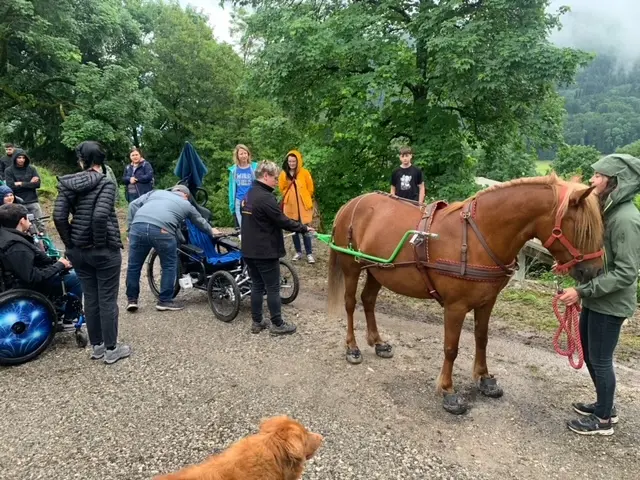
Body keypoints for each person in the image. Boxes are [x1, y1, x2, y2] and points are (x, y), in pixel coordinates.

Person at [558, 153, 640, 436]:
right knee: (592, 356)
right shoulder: (608, 211)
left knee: (601, 359)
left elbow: (627, 273)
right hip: (596, 298)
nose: (592, 180)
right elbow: (598, 259)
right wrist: (575, 273)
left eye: (598, 176)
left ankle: (604, 419)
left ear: (614, 181)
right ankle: (604, 405)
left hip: (611, 303)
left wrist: (581, 290)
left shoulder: (626, 220)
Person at [53, 140, 128, 365]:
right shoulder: (106, 184)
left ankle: (97, 347)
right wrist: (97, 242)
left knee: (91, 297)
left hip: (78, 251)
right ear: (100, 161)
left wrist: (72, 244)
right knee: (107, 299)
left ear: (81, 161)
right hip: (103, 250)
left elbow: (58, 217)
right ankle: (112, 349)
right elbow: (99, 217)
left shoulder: (68, 183)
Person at [241, 160, 315, 335]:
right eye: (274, 178)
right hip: (264, 251)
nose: (277, 181)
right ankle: (277, 324)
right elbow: (282, 220)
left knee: (257, 285)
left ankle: (257, 321)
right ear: (265, 176)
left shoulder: (248, 195)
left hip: (249, 250)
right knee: (273, 287)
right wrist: (304, 228)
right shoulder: (266, 198)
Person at [125, 185, 221, 312]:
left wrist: (130, 228)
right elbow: (200, 221)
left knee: (134, 266)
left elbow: (132, 205)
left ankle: (132, 300)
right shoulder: (186, 204)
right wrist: (211, 231)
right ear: (186, 196)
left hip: (138, 228)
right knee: (169, 265)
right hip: (162, 231)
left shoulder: (156, 192)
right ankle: (164, 300)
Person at [0, 203, 81, 328]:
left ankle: (60, 307)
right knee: (76, 278)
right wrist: (59, 265)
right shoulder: (17, 247)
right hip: (25, 286)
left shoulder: (6, 235)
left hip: (14, 280)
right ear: (22, 221)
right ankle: (70, 317)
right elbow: (32, 277)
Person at [278, 150, 316, 264]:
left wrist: (303, 197)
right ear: (287, 161)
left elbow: (310, 188)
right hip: (291, 206)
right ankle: (298, 252)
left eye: (294, 161)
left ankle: (309, 253)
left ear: (298, 161)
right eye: (290, 161)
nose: (292, 163)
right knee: (294, 229)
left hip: (303, 206)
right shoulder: (284, 174)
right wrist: (291, 196)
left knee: (305, 229)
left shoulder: (304, 173)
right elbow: (281, 187)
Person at [4, 148, 44, 231]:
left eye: (23, 158)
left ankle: (45, 243)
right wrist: (30, 183)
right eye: (19, 158)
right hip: (18, 203)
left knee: (40, 225)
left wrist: (20, 183)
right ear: (15, 158)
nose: (21, 160)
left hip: (33, 201)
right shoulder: (9, 171)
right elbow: (11, 186)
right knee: (21, 227)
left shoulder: (32, 169)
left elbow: (37, 184)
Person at [228, 144, 258, 228]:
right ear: (237, 156)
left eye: (245, 153)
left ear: (248, 154)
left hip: (252, 199)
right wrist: (231, 205)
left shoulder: (255, 167)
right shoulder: (234, 170)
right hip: (239, 200)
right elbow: (231, 189)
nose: (243, 156)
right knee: (242, 226)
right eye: (241, 154)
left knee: (253, 225)